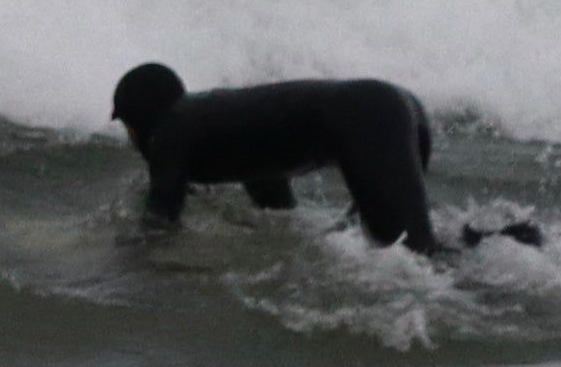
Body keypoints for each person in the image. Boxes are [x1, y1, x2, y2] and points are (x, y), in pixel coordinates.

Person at [110, 62, 536, 255]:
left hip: (367, 115)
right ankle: (503, 241)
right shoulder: (215, 126)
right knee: (398, 248)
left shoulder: (169, 131)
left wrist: (126, 262)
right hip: (386, 105)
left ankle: (517, 248)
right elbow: (274, 204)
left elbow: (161, 218)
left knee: (413, 257)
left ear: (135, 122)